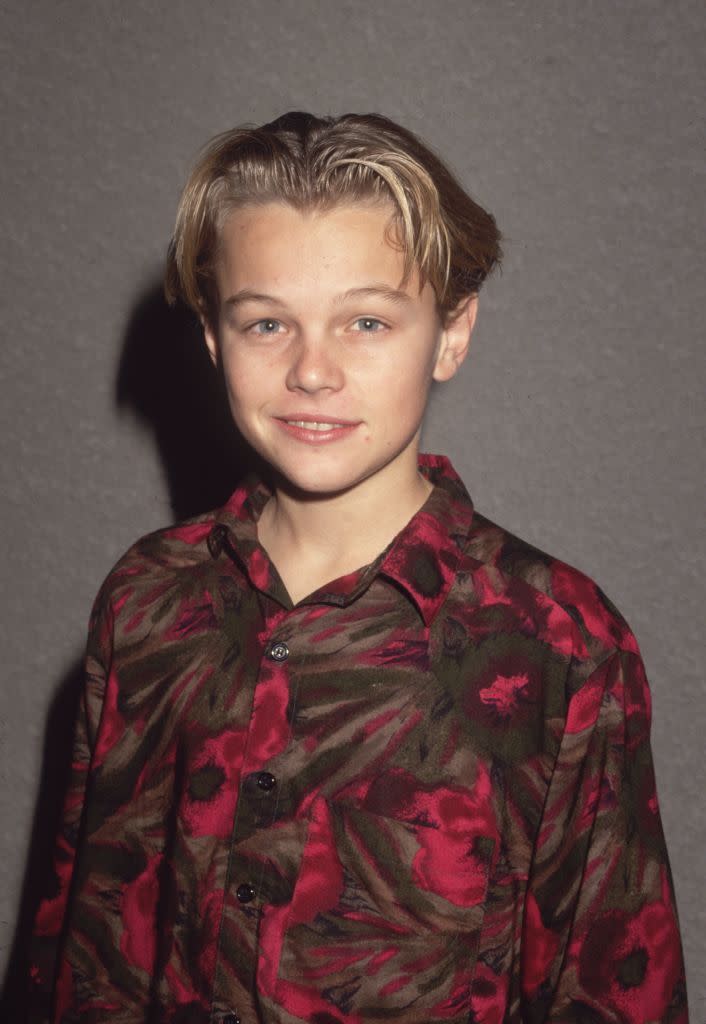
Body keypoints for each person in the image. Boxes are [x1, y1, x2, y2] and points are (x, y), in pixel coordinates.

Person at [29, 111, 688, 1023]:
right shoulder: (145, 602)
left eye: (367, 320)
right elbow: (80, 948)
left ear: (451, 334)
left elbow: (615, 986)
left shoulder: (562, 647)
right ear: (216, 338)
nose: (311, 370)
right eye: (266, 323)